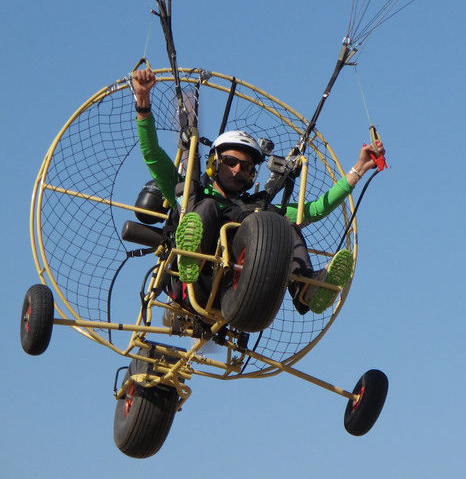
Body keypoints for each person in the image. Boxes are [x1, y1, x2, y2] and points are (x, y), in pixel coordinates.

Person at [131, 66, 383, 315]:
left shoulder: (256, 207)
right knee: (205, 208)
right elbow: (152, 154)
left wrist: (359, 168)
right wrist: (143, 101)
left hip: (238, 293)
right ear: (214, 164)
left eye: (246, 166)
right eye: (230, 162)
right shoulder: (188, 194)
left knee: (283, 224)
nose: (237, 169)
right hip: (194, 284)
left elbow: (316, 209)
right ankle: (192, 256)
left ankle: (307, 287)